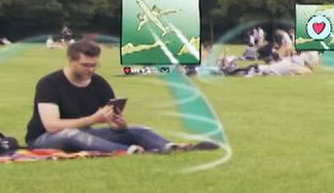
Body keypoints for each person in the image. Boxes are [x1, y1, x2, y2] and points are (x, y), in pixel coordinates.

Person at [27, 40, 203, 153]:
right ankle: (129, 151)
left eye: (95, 65)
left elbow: (114, 123)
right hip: (44, 138)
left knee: (139, 130)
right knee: (73, 135)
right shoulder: (49, 83)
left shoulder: (98, 83)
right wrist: (93, 119)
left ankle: (169, 147)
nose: (91, 69)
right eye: (85, 65)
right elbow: (52, 126)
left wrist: (119, 124)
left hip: (85, 133)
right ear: (71, 61)